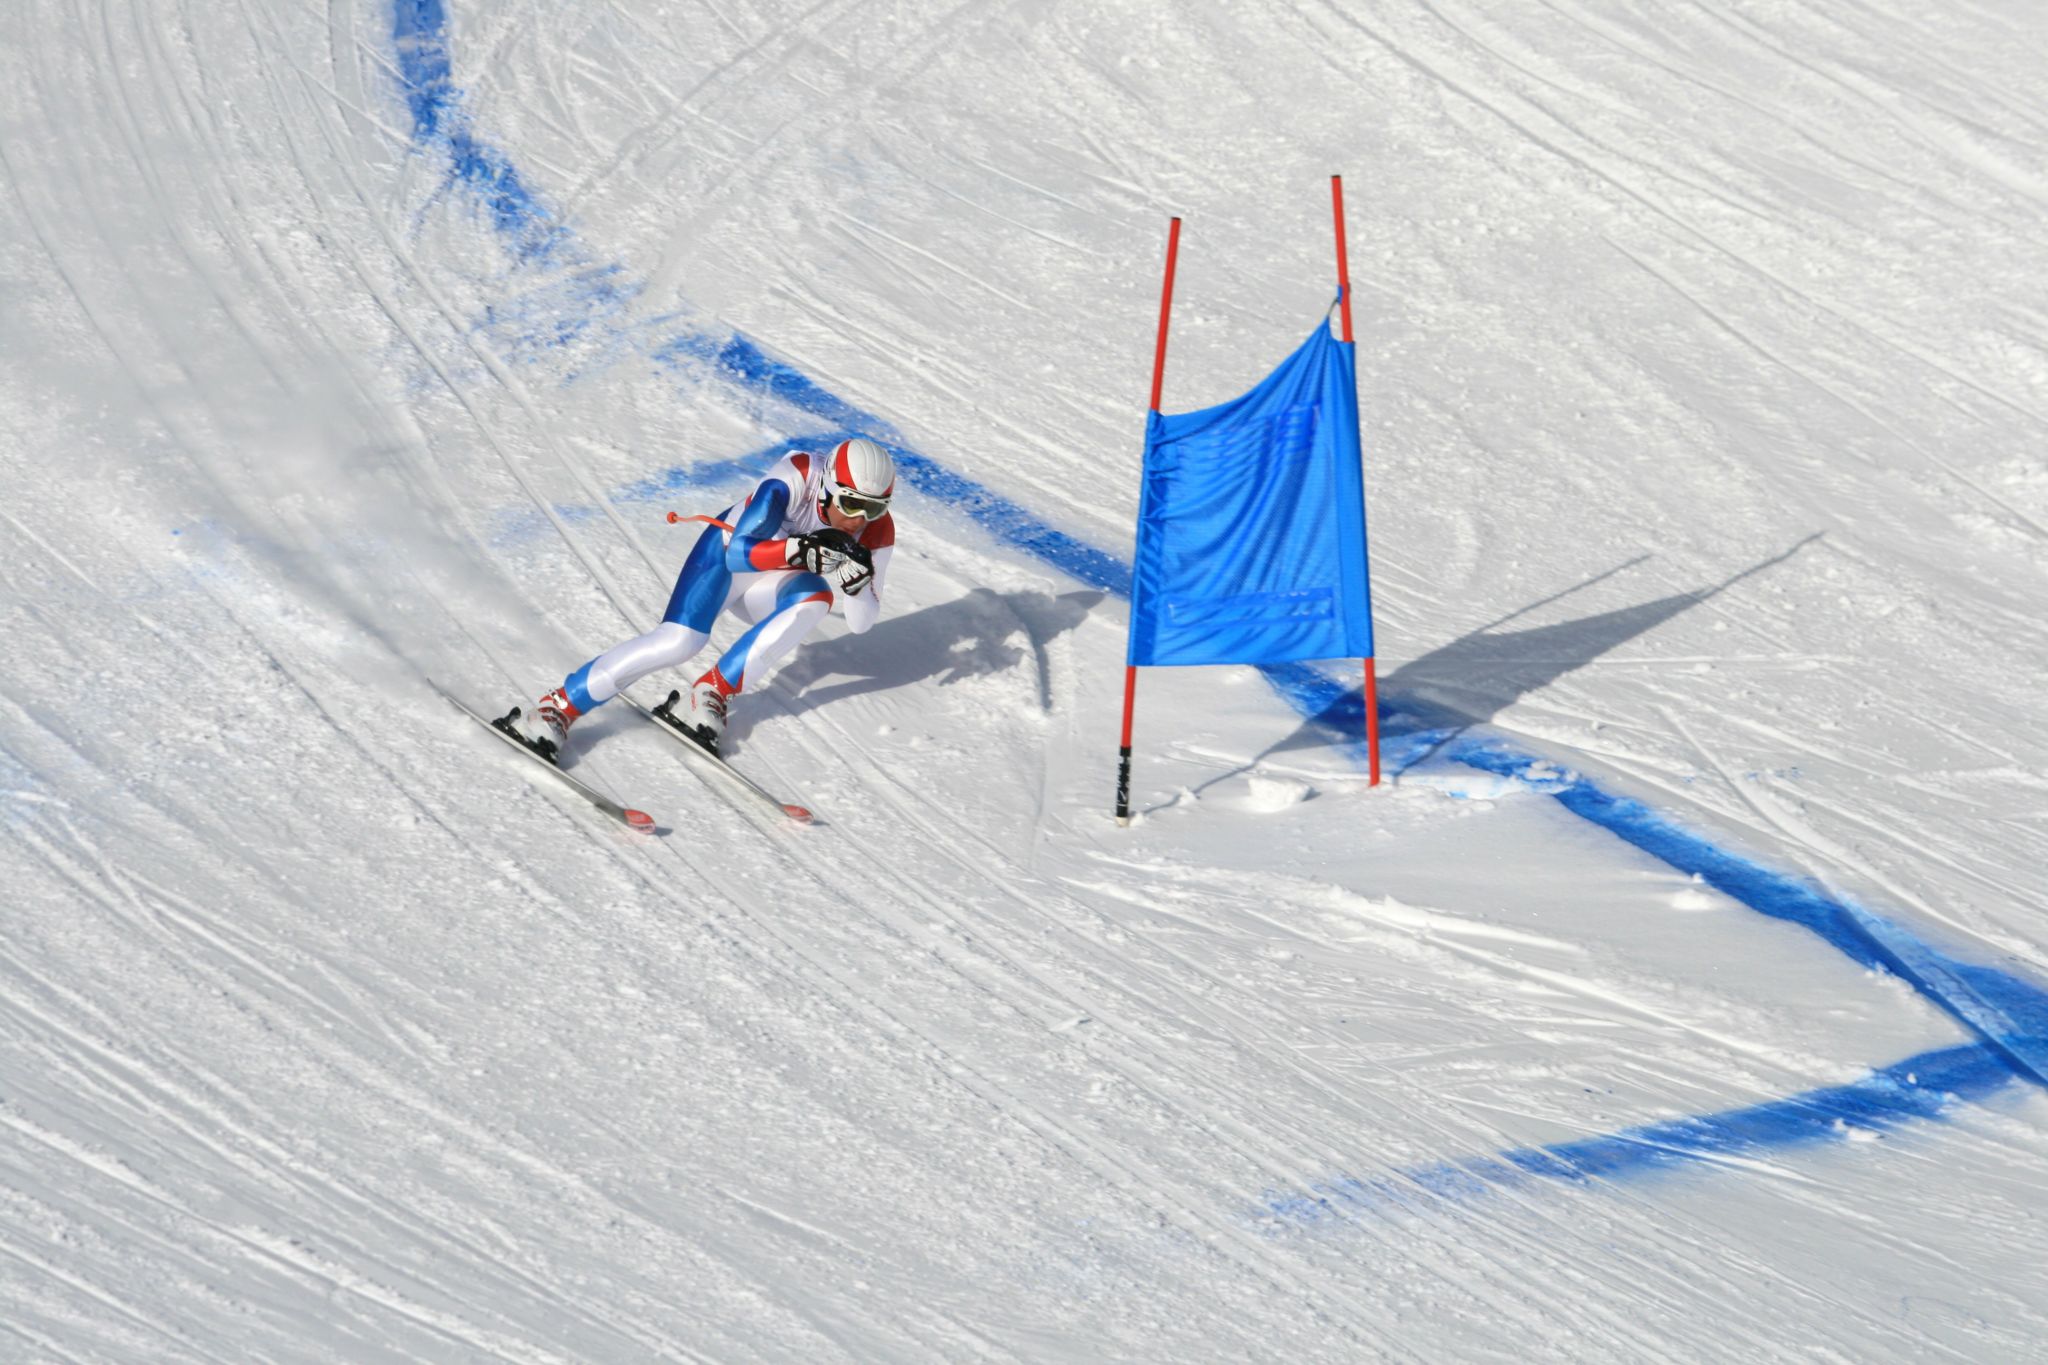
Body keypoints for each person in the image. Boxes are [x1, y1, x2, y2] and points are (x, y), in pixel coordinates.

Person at [511, 437, 898, 759]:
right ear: (828, 487)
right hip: (728, 558)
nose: (860, 520)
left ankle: (710, 692)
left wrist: (857, 586)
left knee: (816, 598)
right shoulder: (795, 476)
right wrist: (797, 550)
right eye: (851, 504)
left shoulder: (876, 529)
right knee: (680, 642)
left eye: (874, 507)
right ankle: (556, 707)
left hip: (771, 582)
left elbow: (862, 623)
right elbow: (737, 555)